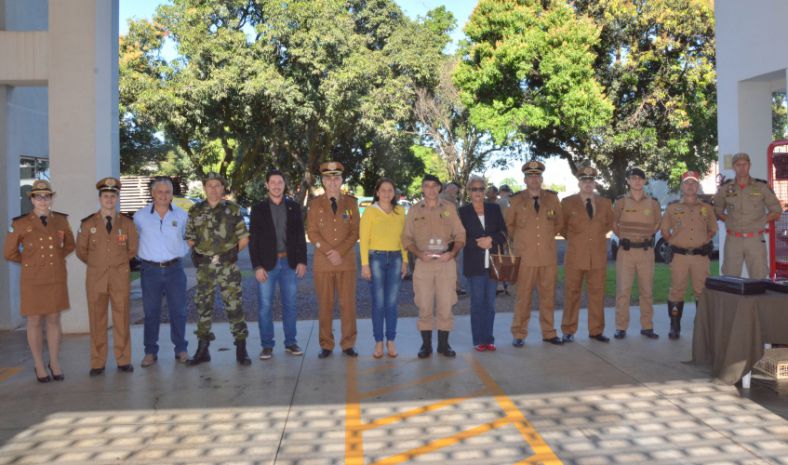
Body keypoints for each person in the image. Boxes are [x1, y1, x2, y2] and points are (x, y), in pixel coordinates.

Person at [3, 180, 75, 382]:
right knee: (34, 321)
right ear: (32, 199)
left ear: (51, 198)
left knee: (53, 320)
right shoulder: (20, 223)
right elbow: (9, 252)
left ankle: (54, 362)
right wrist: (30, 262)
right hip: (33, 279)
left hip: (55, 277)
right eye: (38, 196)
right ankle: (38, 364)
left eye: (47, 196)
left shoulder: (61, 221)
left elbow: (69, 245)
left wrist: (56, 260)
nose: (43, 200)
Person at [185, 172, 251, 366]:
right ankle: (202, 349)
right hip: (205, 268)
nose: (213, 189)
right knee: (203, 307)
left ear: (223, 188)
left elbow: (244, 238)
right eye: (210, 185)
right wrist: (203, 254)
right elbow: (190, 238)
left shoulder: (233, 209)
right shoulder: (195, 210)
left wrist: (228, 255)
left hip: (227, 268)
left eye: (217, 185)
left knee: (234, 307)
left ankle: (241, 349)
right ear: (204, 188)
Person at [76, 177, 139, 376]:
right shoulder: (88, 224)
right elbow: (81, 251)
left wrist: (115, 265)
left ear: (117, 198)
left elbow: (132, 250)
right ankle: (97, 362)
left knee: (122, 320)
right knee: (97, 321)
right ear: (100, 198)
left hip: (119, 278)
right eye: (106, 196)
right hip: (96, 279)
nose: (109, 200)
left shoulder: (127, 223)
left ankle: (123, 360)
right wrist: (99, 264)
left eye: (113, 196)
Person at [402, 174, 466, 358]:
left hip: (446, 263)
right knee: (424, 305)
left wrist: (452, 253)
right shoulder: (414, 210)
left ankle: (444, 346)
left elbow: (461, 235)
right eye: (426, 186)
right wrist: (419, 254)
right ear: (422, 188)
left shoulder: (449, 208)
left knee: (446, 305)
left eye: (434, 186)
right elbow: (406, 238)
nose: (430, 189)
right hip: (423, 263)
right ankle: (426, 346)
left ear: (439, 188)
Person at [249, 169, 307, 360]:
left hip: (289, 264)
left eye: (279, 182)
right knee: (265, 307)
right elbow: (253, 240)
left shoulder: (293, 207)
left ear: (284, 185)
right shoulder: (258, 209)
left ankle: (291, 343)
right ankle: (267, 345)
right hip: (266, 266)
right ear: (267, 185)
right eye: (272, 182)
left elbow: (300, 237)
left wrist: (302, 261)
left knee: (290, 305)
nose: (276, 185)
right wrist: (257, 266)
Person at [133, 176, 191, 367]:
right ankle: (150, 351)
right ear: (152, 194)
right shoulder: (140, 217)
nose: (164, 195)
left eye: (167, 192)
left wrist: (182, 250)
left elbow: (189, 238)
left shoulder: (182, 216)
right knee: (151, 312)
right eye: (160, 192)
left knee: (179, 311)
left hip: (175, 269)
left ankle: (181, 348)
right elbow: (135, 241)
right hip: (150, 271)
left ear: (172, 195)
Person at [506, 161, 564, 347]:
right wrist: (524, 243)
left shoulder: (552, 199)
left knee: (548, 297)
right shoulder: (515, 200)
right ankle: (519, 333)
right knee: (523, 297)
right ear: (525, 179)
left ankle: (549, 333)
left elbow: (559, 223)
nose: (534, 179)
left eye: (537, 176)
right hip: (525, 258)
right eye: (530, 176)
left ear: (541, 178)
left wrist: (546, 239)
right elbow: (509, 226)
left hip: (547, 257)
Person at [306, 161, 360, 358]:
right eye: (328, 178)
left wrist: (340, 252)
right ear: (323, 181)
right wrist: (330, 251)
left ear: (342, 180)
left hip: (346, 263)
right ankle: (326, 345)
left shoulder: (351, 203)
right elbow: (312, 232)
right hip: (323, 263)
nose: (332, 181)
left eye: (336, 177)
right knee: (325, 305)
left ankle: (348, 344)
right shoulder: (314, 204)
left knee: (348, 305)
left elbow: (355, 232)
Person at [560, 166, 614, 343]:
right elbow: (562, 226)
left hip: (597, 257)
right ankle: (568, 330)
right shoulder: (567, 202)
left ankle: (596, 330)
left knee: (597, 294)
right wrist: (578, 240)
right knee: (572, 293)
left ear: (595, 183)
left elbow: (608, 225)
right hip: (575, 256)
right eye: (584, 181)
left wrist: (593, 237)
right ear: (579, 183)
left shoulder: (605, 203)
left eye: (591, 181)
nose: (588, 184)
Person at [662, 171, 717, 339]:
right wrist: (674, 242)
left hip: (700, 257)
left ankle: (700, 325)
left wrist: (703, 241)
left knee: (701, 291)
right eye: (687, 183)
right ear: (682, 186)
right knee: (676, 290)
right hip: (679, 257)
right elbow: (664, 230)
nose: (690, 186)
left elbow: (713, 229)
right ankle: (674, 326)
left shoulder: (706, 208)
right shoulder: (673, 208)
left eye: (693, 183)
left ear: (698, 186)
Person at [360, 178, 408, 358]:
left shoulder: (400, 211)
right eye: (383, 190)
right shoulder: (370, 212)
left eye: (390, 190)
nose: (387, 193)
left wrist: (405, 261)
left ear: (394, 193)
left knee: (392, 303)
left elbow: (403, 237)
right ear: (377, 192)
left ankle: (391, 341)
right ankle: (378, 342)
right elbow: (363, 239)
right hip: (376, 259)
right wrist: (365, 264)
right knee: (378, 303)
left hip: (396, 259)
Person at [612, 167, 662, 339]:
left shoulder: (653, 203)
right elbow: (613, 223)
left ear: (645, 181)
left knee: (646, 291)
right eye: (633, 178)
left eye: (640, 178)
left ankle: (647, 326)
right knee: (623, 291)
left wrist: (646, 237)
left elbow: (657, 224)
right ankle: (621, 327)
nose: (637, 181)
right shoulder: (621, 202)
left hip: (646, 252)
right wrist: (625, 238)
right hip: (626, 252)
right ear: (628, 181)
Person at [714, 152, 781, 279]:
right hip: (733, 240)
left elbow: (776, 210)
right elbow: (717, 210)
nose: (742, 167)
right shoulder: (725, 188)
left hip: (755, 240)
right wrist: (728, 220)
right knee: (730, 278)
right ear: (734, 167)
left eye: (745, 164)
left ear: (749, 165)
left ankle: (758, 300)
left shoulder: (761, 186)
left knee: (759, 277)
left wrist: (761, 221)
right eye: (738, 165)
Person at [459, 176, 506, 352]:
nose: (477, 192)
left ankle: (489, 339)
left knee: (491, 304)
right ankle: (478, 340)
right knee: (477, 303)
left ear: (484, 191)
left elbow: (503, 232)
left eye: (480, 189)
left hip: (493, 264)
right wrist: (478, 242)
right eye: (474, 189)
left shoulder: (494, 209)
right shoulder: (463, 212)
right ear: (469, 191)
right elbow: (460, 237)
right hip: (474, 264)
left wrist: (491, 239)